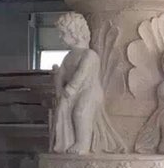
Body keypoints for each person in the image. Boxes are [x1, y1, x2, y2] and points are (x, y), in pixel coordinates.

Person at [51, 12, 123, 154]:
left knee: (80, 112)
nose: (60, 37)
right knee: (63, 109)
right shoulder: (68, 56)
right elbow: (62, 74)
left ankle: (83, 143)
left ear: (75, 34)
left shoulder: (89, 55)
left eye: (63, 33)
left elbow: (81, 74)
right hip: (74, 92)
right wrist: (58, 80)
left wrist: (71, 88)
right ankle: (65, 142)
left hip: (90, 91)